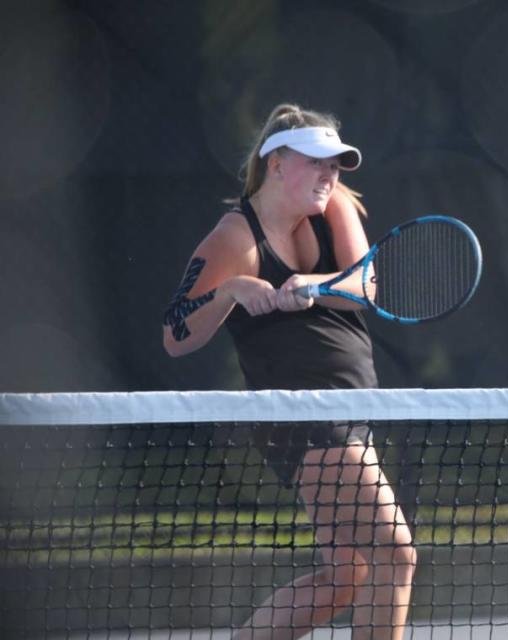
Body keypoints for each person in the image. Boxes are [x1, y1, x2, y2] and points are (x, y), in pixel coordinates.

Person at [162, 103, 416, 640]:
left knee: (347, 576)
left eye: (337, 164)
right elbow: (175, 333)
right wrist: (231, 289)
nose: (330, 174)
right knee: (396, 555)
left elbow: (365, 288)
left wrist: (315, 284)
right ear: (276, 163)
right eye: (317, 162)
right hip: (305, 417)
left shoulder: (336, 206)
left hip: (353, 407)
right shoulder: (236, 238)